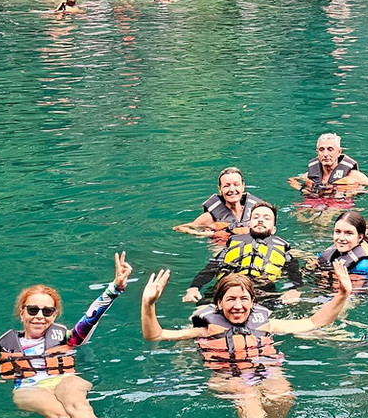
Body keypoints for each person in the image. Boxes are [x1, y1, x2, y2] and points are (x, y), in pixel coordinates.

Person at [0, 252, 132, 418]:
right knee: (59, 414)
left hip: (64, 380)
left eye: (47, 311)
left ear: (54, 315)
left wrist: (114, 289)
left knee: (78, 406)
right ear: (22, 313)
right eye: (32, 310)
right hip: (29, 388)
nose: (39, 316)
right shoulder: (7, 344)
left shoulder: (67, 338)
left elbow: (89, 319)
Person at [141, 263, 353, 418]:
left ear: (253, 302)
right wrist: (148, 304)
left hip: (267, 370)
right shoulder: (206, 329)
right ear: (219, 304)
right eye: (231, 299)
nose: (238, 305)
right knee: (248, 393)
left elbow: (315, 322)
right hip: (227, 376)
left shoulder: (266, 324)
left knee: (282, 395)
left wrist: (343, 294)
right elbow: (155, 335)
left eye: (244, 299)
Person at [182, 202, 303, 305]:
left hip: (262, 292)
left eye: (266, 218)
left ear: (274, 229)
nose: (260, 220)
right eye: (256, 217)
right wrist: (194, 287)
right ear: (249, 223)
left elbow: (295, 273)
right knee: (199, 318)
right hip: (226, 288)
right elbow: (210, 268)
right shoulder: (233, 245)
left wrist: (294, 290)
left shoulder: (282, 251)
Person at [288, 133, 368, 200]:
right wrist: (303, 189)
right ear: (317, 153)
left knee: (326, 218)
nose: (325, 154)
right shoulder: (309, 176)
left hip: (340, 203)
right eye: (322, 150)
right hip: (314, 201)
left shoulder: (353, 176)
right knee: (300, 216)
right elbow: (292, 180)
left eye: (330, 149)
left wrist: (357, 192)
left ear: (339, 152)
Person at [173, 167, 260, 237]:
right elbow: (179, 228)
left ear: (243, 186)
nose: (232, 190)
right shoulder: (210, 217)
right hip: (222, 250)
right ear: (220, 189)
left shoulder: (255, 212)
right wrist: (205, 233)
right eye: (226, 186)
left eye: (236, 185)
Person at [317, 211, 368, 285]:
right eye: (338, 232)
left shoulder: (364, 265)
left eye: (349, 233)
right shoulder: (331, 252)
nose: (341, 238)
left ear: (360, 237)